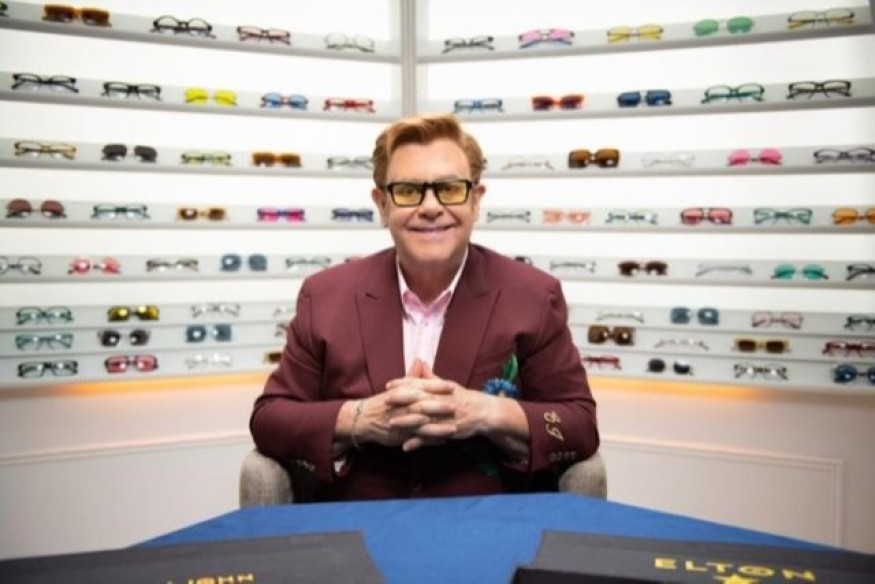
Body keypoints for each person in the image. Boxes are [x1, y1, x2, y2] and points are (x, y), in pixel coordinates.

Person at [250, 113, 599, 500]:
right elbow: (269, 419)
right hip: (357, 523)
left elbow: (580, 426)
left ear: (476, 200)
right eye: (407, 191)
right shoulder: (325, 296)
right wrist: (362, 418)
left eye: (449, 189)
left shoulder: (533, 296)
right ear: (382, 205)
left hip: (487, 521)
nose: (431, 207)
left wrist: (484, 412)